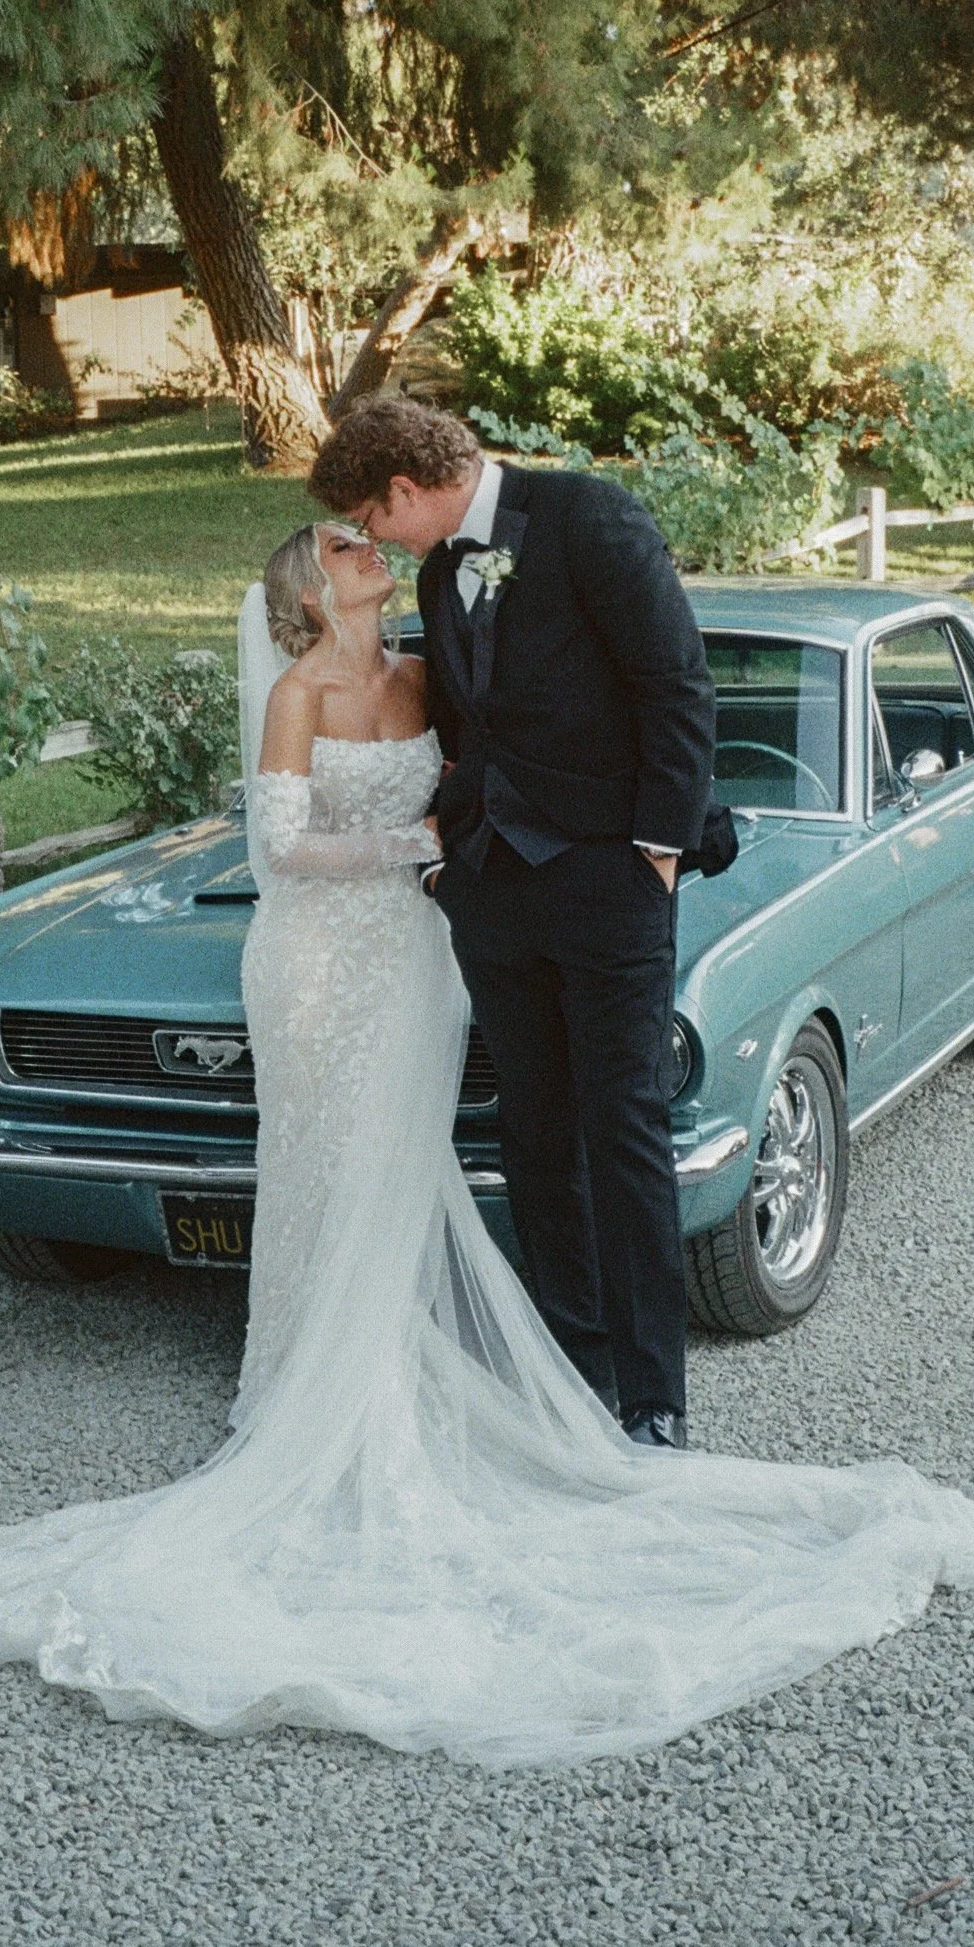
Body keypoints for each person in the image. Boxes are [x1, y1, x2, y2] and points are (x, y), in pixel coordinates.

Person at [0, 499, 974, 1766]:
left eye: (372, 538)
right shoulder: (302, 690)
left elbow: (539, 741)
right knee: (330, 1159)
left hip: (439, 938)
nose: (375, 555)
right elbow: (291, 840)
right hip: (323, 950)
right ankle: (314, 1379)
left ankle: (581, 1375)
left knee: (427, 1152)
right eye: (349, 548)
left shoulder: (429, 667)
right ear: (306, 586)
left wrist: (588, 840)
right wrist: (435, 836)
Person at [312, 397, 714, 1445]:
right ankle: (569, 1372)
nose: (376, 542)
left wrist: (656, 853)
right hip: (491, 888)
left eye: (370, 517)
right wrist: (448, 859)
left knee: (623, 1128)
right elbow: (463, 724)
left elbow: (673, 685)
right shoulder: (446, 569)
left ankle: (652, 1395)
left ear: (405, 487)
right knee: (533, 1134)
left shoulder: (587, 519)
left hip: (609, 882)